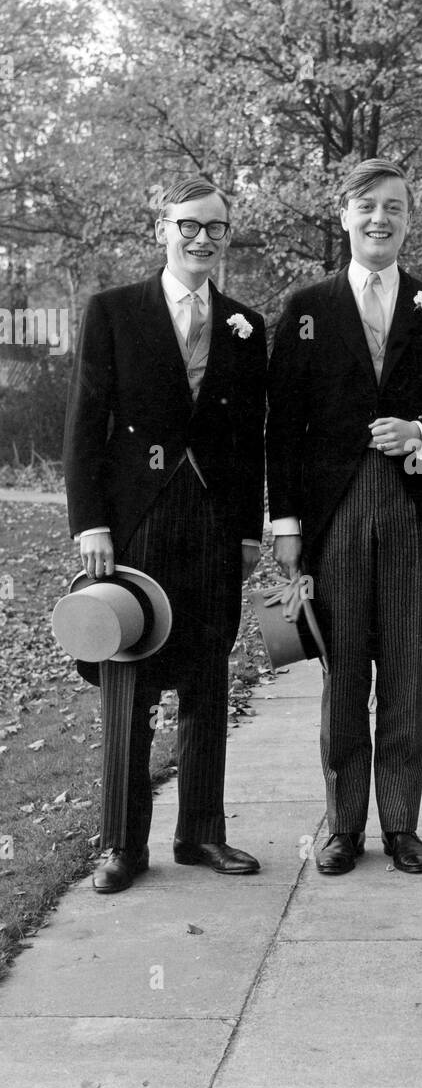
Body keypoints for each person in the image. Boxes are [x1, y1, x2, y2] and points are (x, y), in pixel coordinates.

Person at [266, 158, 422, 876]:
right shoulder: (305, 307)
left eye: (393, 208)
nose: (379, 220)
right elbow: (281, 427)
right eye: (367, 208)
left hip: (411, 514)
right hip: (331, 519)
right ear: (344, 216)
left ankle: (400, 826)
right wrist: (286, 522)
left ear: (408, 221)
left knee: (406, 676)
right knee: (341, 677)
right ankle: (340, 827)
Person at [64, 176, 267, 893]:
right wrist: (91, 521)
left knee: (207, 678)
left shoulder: (246, 325)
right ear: (163, 229)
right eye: (188, 225)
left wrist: (248, 532)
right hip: (135, 522)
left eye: (214, 226)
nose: (201, 238)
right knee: (130, 677)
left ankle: (201, 833)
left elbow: (248, 441)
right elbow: (86, 425)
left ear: (226, 235)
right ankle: (124, 843)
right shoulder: (113, 312)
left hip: (213, 524)